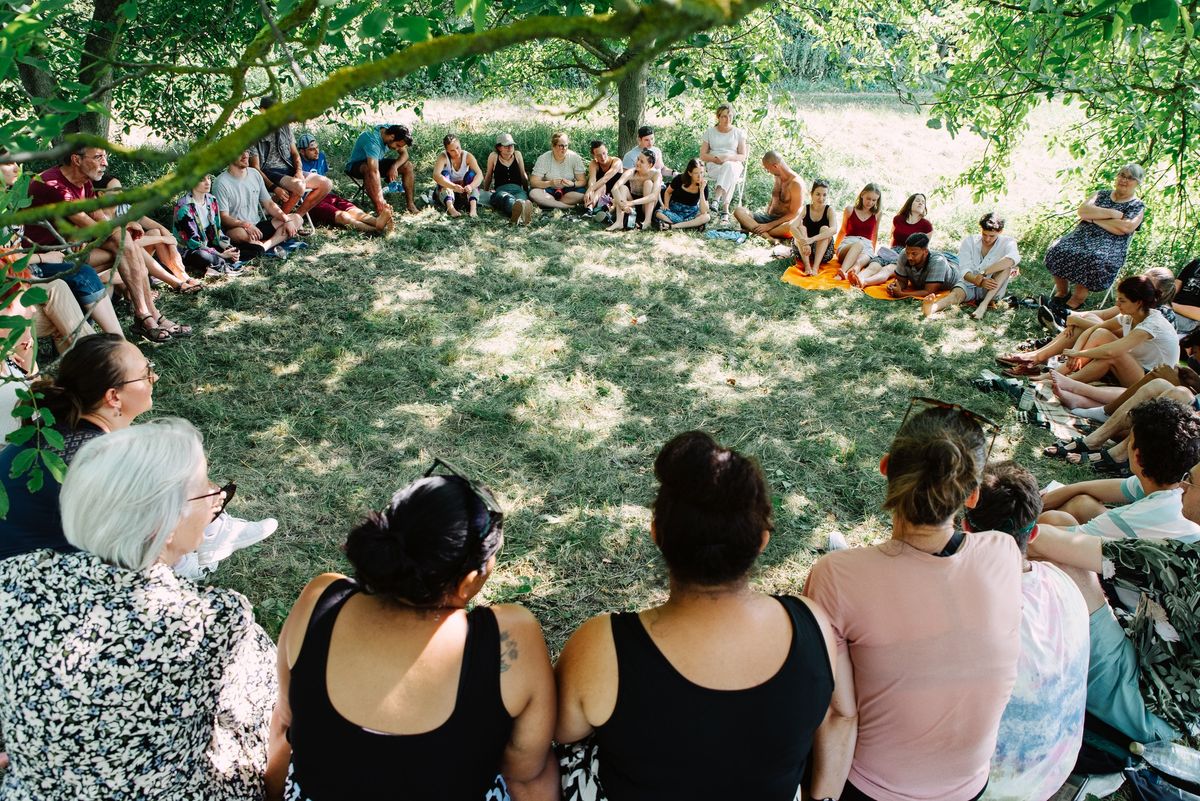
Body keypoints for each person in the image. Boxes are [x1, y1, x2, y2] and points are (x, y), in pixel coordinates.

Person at [0, 418, 277, 800]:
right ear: (162, 527)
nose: (216, 498)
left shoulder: (13, 579)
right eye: (207, 492)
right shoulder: (216, 619)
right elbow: (271, 714)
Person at [555, 431, 836, 800]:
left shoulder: (601, 648)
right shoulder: (812, 624)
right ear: (762, 541)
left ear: (657, 535)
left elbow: (559, 733)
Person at [268, 462, 557, 800]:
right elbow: (526, 775)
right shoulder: (510, 638)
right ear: (467, 582)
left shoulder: (320, 600)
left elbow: (285, 725)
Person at [804, 398, 1021, 801]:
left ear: (886, 467)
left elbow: (839, 713)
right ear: (972, 496)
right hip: (969, 788)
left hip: (871, 789)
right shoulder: (1004, 553)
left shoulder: (836, 577)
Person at [0, 334, 277, 576]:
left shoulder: (51, 431)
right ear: (114, 397)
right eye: (146, 373)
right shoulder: (102, 459)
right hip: (36, 583)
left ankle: (213, 533)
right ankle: (209, 539)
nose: (154, 377)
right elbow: (134, 544)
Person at [1028, 484, 1200, 745]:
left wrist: (980, 533)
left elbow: (1045, 541)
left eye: (1191, 480)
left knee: (1063, 563)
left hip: (1153, 709)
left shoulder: (1185, 560)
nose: (1182, 485)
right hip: (1148, 660)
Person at [967, 463, 1088, 801]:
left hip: (989, 787)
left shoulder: (968, 607)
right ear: (1033, 534)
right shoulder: (1063, 583)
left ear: (964, 524)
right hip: (1056, 768)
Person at [22, 144, 184, 342]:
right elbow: (95, 228)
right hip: (44, 259)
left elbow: (101, 219)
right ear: (76, 159)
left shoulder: (84, 183)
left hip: (68, 251)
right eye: (98, 157)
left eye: (104, 157)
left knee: (125, 244)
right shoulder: (54, 185)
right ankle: (147, 316)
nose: (105, 163)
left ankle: (147, 315)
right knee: (125, 245)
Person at [0, 153, 123, 344]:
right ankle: (114, 351)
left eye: (16, 162)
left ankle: (111, 351)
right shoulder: (48, 184)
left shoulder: (12, 200)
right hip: (20, 270)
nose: (17, 168)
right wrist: (44, 257)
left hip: (26, 266)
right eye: (8, 164)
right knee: (80, 275)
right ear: (76, 159)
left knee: (71, 281)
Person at [1038, 397, 1200, 541]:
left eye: (1130, 440)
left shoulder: (1139, 515)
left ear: (1136, 456)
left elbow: (1055, 539)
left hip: (1119, 564)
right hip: (1135, 545)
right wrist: (1036, 504)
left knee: (1053, 520)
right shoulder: (1166, 485)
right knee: (1081, 503)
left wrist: (1025, 520)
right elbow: (1082, 487)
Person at [997, 268, 1177, 375]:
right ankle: (1037, 356)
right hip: (1116, 349)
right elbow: (1104, 315)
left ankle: (1044, 361)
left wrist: (1078, 323)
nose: (1140, 285)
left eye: (1147, 284)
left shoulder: (1154, 313)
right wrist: (1075, 316)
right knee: (1085, 321)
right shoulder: (1132, 306)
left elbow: (1115, 338)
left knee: (1092, 329)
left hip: (1132, 362)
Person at [1039, 275, 1179, 388]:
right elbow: (1095, 328)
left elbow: (1111, 351)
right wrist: (1075, 351)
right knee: (1102, 333)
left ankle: (1058, 380)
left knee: (1113, 355)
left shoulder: (1152, 324)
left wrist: (1079, 353)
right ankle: (1058, 375)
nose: (1117, 305)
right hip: (1136, 367)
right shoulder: (1131, 316)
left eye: (1122, 301)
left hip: (1151, 380)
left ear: (1138, 303)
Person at [1044, 164, 1146, 319]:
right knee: (1057, 248)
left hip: (1111, 244)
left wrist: (1094, 218)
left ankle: (1076, 300)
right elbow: (1083, 211)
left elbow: (1126, 227)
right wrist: (1112, 214)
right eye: (1122, 175)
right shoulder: (1100, 194)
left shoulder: (1136, 205)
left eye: (1130, 178)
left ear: (1138, 182)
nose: (1124, 180)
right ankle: (1062, 292)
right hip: (1080, 236)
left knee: (1094, 257)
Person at [96, 174, 202, 294]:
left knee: (154, 232)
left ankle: (183, 276)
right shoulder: (97, 216)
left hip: (133, 256)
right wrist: (162, 239)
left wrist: (172, 248)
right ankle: (175, 283)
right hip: (115, 261)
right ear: (101, 194)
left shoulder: (124, 208)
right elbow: (128, 243)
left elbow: (159, 227)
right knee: (149, 240)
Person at [922, 213, 1020, 320]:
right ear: (981, 229)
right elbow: (964, 269)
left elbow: (1012, 259)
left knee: (1006, 268)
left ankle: (983, 305)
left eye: (992, 236)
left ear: (1000, 232)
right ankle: (932, 308)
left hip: (992, 287)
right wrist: (978, 280)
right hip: (970, 283)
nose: (987, 239)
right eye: (984, 234)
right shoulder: (970, 241)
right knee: (954, 295)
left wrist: (984, 273)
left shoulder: (1008, 242)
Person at [213, 149, 304, 261]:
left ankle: (264, 246)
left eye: (246, 151)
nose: (245, 155)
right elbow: (224, 218)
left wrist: (287, 220)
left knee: (297, 219)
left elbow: (269, 204)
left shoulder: (254, 174)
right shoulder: (221, 183)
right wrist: (246, 225)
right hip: (239, 229)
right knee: (238, 233)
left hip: (258, 227)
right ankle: (258, 244)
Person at [251, 96, 331, 217]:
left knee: (326, 184)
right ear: (263, 110)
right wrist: (274, 188)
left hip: (288, 169)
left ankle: (297, 217)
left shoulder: (284, 127)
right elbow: (255, 168)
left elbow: (295, 154)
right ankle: (278, 222)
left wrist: (299, 171)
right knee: (299, 186)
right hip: (268, 172)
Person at [294, 136, 391, 234]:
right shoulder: (297, 164)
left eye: (317, 147)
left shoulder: (321, 157)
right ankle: (375, 230)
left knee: (353, 210)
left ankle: (377, 222)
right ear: (302, 152)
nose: (316, 151)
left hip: (327, 195)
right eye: (311, 149)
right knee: (342, 216)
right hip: (311, 201)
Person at [172, 174, 244, 276]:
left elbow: (217, 231)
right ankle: (221, 264)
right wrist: (221, 255)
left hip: (208, 243)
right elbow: (194, 243)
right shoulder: (184, 207)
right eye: (202, 179)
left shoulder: (211, 200)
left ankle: (218, 264)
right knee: (202, 256)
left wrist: (228, 248)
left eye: (209, 178)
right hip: (190, 250)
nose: (208, 182)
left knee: (247, 249)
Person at [856, 193, 933, 287]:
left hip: (908, 255)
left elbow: (924, 250)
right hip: (892, 250)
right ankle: (857, 278)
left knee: (887, 269)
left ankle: (864, 282)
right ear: (910, 203)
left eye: (923, 202)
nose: (920, 203)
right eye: (917, 201)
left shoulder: (927, 225)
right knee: (874, 265)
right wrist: (888, 254)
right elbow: (892, 238)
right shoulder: (898, 219)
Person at [345, 123, 414, 219]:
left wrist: (394, 167)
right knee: (368, 169)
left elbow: (405, 155)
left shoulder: (393, 131)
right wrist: (381, 200)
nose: (398, 149)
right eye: (397, 145)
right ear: (392, 137)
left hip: (375, 162)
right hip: (355, 166)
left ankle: (410, 205)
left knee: (408, 166)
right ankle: (380, 209)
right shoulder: (373, 140)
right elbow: (374, 171)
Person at [733, 151, 803, 240]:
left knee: (792, 226)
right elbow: (775, 196)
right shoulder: (777, 176)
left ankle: (754, 228)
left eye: (767, 169)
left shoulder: (796, 183)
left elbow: (794, 214)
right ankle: (767, 236)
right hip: (768, 218)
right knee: (739, 210)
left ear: (775, 166)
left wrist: (769, 226)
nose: (768, 171)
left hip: (783, 223)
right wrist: (767, 217)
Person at [700, 103, 748, 222]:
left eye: (730, 116)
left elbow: (742, 156)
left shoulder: (738, 133)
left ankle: (716, 199)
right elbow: (703, 155)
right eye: (724, 116)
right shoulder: (710, 132)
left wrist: (728, 157)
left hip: (734, 163)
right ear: (718, 117)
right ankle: (725, 210)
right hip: (715, 165)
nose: (728, 119)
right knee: (729, 172)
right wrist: (715, 159)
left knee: (729, 167)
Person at [884, 232, 960, 299]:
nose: (909, 257)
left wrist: (902, 294)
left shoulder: (938, 261)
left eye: (914, 254)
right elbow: (902, 281)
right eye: (908, 253)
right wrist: (894, 287)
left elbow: (929, 291)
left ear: (926, 252)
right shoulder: (904, 254)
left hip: (955, 264)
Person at [482, 132, 534, 224]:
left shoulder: (517, 155)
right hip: (501, 190)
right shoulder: (493, 156)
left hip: (517, 189)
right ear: (499, 147)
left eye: (512, 145)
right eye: (506, 146)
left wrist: (526, 191)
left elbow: (523, 174)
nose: (510, 148)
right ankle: (521, 213)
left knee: (521, 200)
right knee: (506, 199)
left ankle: (519, 212)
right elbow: (489, 176)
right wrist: (485, 192)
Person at [835, 184, 882, 284]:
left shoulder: (877, 214)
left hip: (866, 247)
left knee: (860, 261)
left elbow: (874, 234)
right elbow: (843, 230)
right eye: (868, 198)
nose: (870, 202)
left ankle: (852, 274)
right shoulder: (850, 210)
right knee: (858, 245)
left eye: (874, 200)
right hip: (849, 244)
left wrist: (872, 250)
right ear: (862, 195)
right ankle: (841, 272)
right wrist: (835, 247)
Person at [605, 149, 661, 232]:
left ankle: (647, 221)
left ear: (650, 165)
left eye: (642, 161)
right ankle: (619, 222)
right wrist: (622, 204)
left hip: (647, 206)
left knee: (648, 183)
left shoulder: (656, 174)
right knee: (623, 188)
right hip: (632, 205)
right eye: (638, 159)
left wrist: (631, 203)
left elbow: (653, 196)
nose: (638, 163)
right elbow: (614, 188)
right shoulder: (631, 172)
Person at [528, 132, 587, 210]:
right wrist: (550, 183)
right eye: (561, 146)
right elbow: (533, 182)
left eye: (566, 145)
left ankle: (552, 203)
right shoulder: (544, 158)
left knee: (583, 194)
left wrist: (572, 184)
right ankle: (567, 206)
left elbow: (583, 181)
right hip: (549, 190)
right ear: (553, 146)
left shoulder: (574, 157)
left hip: (568, 191)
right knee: (533, 193)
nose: (564, 148)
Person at [790, 179, 836, 275]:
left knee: (825, 229)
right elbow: (792, 227)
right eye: (818, 194)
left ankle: (815, 268)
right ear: (811, 194)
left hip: (823, 252)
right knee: (801, 228)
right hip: (804, 250)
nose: (821, 198)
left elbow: (834, 229)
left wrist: (812, 239)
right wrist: (805, 242)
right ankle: (807, 266)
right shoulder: (806, 209)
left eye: (824, 195)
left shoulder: (829, 210)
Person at [432, 134, 483, 218]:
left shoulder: (468, 156)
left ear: (460, 145)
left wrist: (471, 186)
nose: (456, 152)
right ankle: (451, 209)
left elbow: (480, 174)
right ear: (447, 150)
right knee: (444, 174)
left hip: (463, 191)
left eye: (458, 148)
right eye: (452, 150)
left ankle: (473, 209)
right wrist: (453, 186)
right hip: (449, 190)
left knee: (471, 174)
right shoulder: (443, 157)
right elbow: (436, 175)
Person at [654, 158, 710, 231]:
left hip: (690, 213)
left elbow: (703, 211)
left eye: (701, 173)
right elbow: (668, 192)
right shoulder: (679, 179)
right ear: (690, 173)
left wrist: (702, 190)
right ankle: (689, 225)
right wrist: (666, 205)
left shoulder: (704, 185)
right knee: (658, 213)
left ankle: (672, 226)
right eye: (696, 173)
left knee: (706, 217)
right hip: (674, 210)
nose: (700, 176)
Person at [581, 139, 624, 218]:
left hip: (616, 191)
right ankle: (590, 208)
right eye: (598, 155)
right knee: (601, 186)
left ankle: (591, 208)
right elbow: (592, 179)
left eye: (604, 153)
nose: (603, 157)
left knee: (602, 184)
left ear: (607, 150)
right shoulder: (594, 163)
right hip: (601, 192)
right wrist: (591, 189)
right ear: (594, 155)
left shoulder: (617, 161)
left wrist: (590, 190)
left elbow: (606, 178)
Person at [1170, 255, 1200, 334]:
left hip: (1190, 320)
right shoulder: (1196, 263)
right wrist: (1162, 299)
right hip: (1170, 308)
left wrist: (1170, 305)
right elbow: (1176, 285)